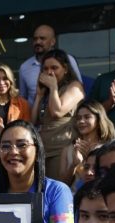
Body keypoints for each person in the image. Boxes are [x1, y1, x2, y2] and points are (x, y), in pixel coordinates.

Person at [31, 49, 85, 181]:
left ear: (65, 69)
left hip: (61, 151)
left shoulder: (75, 86)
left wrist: (53, 87)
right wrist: (39, 96)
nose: (50, 72)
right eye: (45, 68)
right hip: (43, 151)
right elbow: (33, 122)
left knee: (58, 189)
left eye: (54, 68)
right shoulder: (48, 92)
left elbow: (57, 111)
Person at [19, 24, 83, 105]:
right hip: (36, 115)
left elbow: (79, 88)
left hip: (65, 112)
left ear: (53, 41)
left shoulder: (68, 59)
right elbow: (23, 98)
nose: (38, 42)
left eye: (42, 38)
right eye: (35, 39)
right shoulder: (25, 67)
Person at [59, 99, 115, 187]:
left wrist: (86, 162)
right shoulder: (67, 150)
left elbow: (109, 179)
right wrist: (74, 165)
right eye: (78, 118)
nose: (81, 121)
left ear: (98, 119)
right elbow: (63, 185)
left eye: (87, 117)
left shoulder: (107, 148)